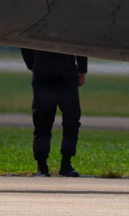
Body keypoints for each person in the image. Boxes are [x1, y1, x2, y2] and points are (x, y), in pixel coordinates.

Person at [21, 48, 88, 177]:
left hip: (64, 74)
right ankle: (41, 165)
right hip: (45, 75)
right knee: (42, 123)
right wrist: (33, 66)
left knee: (71, 121)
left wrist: (82, 69)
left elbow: (79, 42)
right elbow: (25, 45)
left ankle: (66, 163)